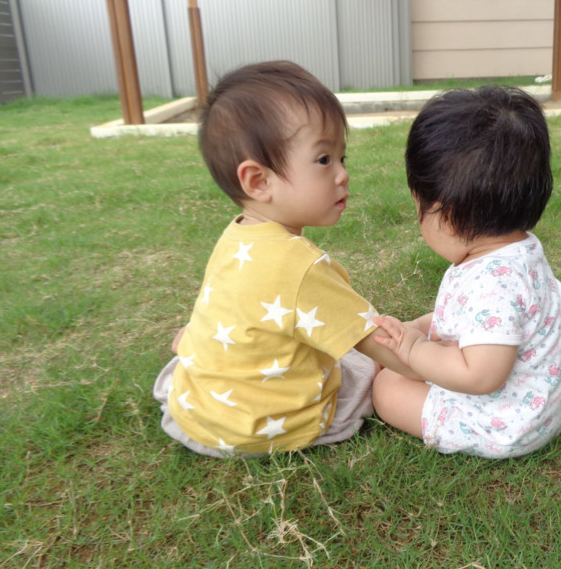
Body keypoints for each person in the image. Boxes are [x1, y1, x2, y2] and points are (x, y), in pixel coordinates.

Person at [153, 60, 400, 457]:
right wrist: (439, 366)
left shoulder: (237, 236)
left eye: (342, 158)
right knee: (363, 368)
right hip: (266, 428)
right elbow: (376, 344)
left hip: (196, 416)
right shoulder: (300, 266)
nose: (342, 175)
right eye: (323, 160)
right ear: (258, 181)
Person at [372, 86, 561, 459]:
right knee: (406, 362)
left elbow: (480, 376)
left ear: (448, 217)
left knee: (388, 388)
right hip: (547, 397)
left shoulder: (493, 281)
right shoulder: (516, 248)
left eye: (418, 206)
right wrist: (420, 327)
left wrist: (416, 348)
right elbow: (480, 321)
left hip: (515, 421)